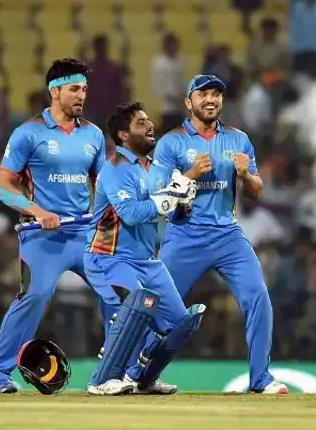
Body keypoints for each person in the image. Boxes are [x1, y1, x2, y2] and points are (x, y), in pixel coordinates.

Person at [132, 74, 288, 394]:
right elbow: (158, 196)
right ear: (188, 102)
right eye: (203, 94)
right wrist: (189, 175)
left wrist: (246, 175)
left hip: (227, 234)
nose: (211, 99)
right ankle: (136, 374)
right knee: (156, 303)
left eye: (216, 93)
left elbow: (256, 192)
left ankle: (260, 378)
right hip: (184, 233)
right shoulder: (172, 142)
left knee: (258, 296)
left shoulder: (238, 139)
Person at [0, 58, 118, 394]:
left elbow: (106, 184)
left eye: (84, 89)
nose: (81, 95)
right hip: (42, 236)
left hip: (83, 234)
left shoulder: (94, 135)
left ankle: (120, 371)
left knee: (116, 292)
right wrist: (38, 210)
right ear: (54, 91)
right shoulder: (28, 133)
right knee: (36, 294)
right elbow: (2, 186)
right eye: (74, 89)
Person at [84, 102, 203, 396]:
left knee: (180, 325)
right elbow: (132, 214)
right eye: (141, 123)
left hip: (147, 261)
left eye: (149, 120)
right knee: (138, 304)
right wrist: (171, 196)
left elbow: (172, 215)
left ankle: (143, 379)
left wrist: (182, 203)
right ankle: (101, 380)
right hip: (109, 257)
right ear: (123, 134)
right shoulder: (113, 169)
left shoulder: (157, 169)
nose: (150, 126)